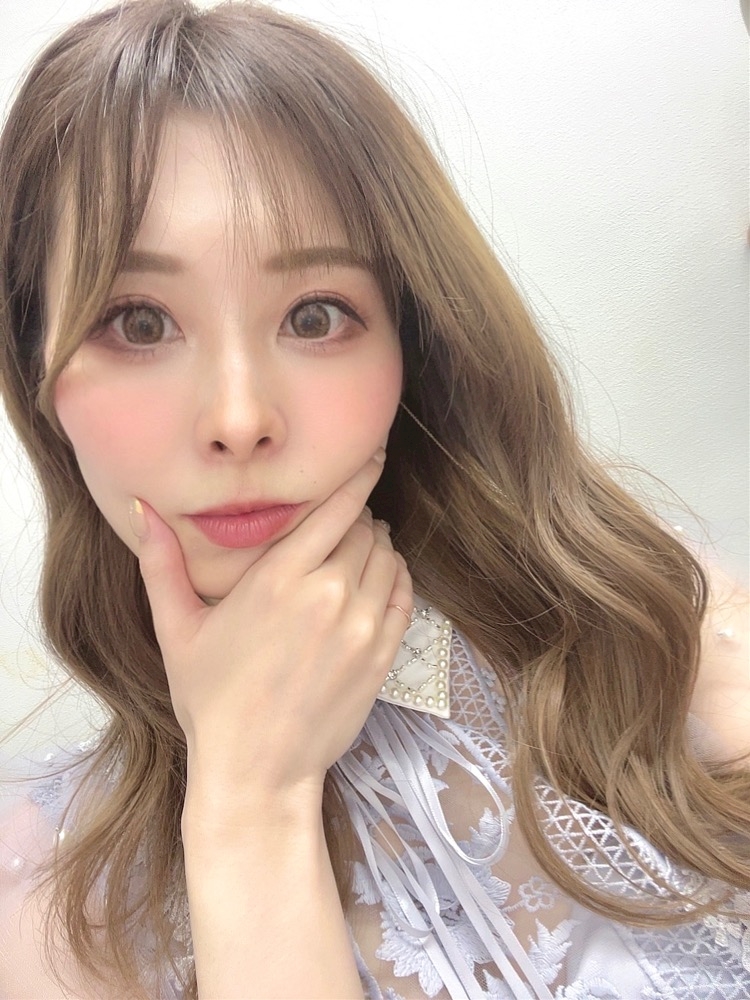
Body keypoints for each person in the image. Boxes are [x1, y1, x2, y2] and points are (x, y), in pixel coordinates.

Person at [0, 1, 747, 997]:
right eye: (137, 321)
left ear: (412, 343)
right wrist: (248, 804)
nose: (239, 419)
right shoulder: (49, 902)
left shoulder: (649, 627)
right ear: (37, 373)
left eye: (316, 315)